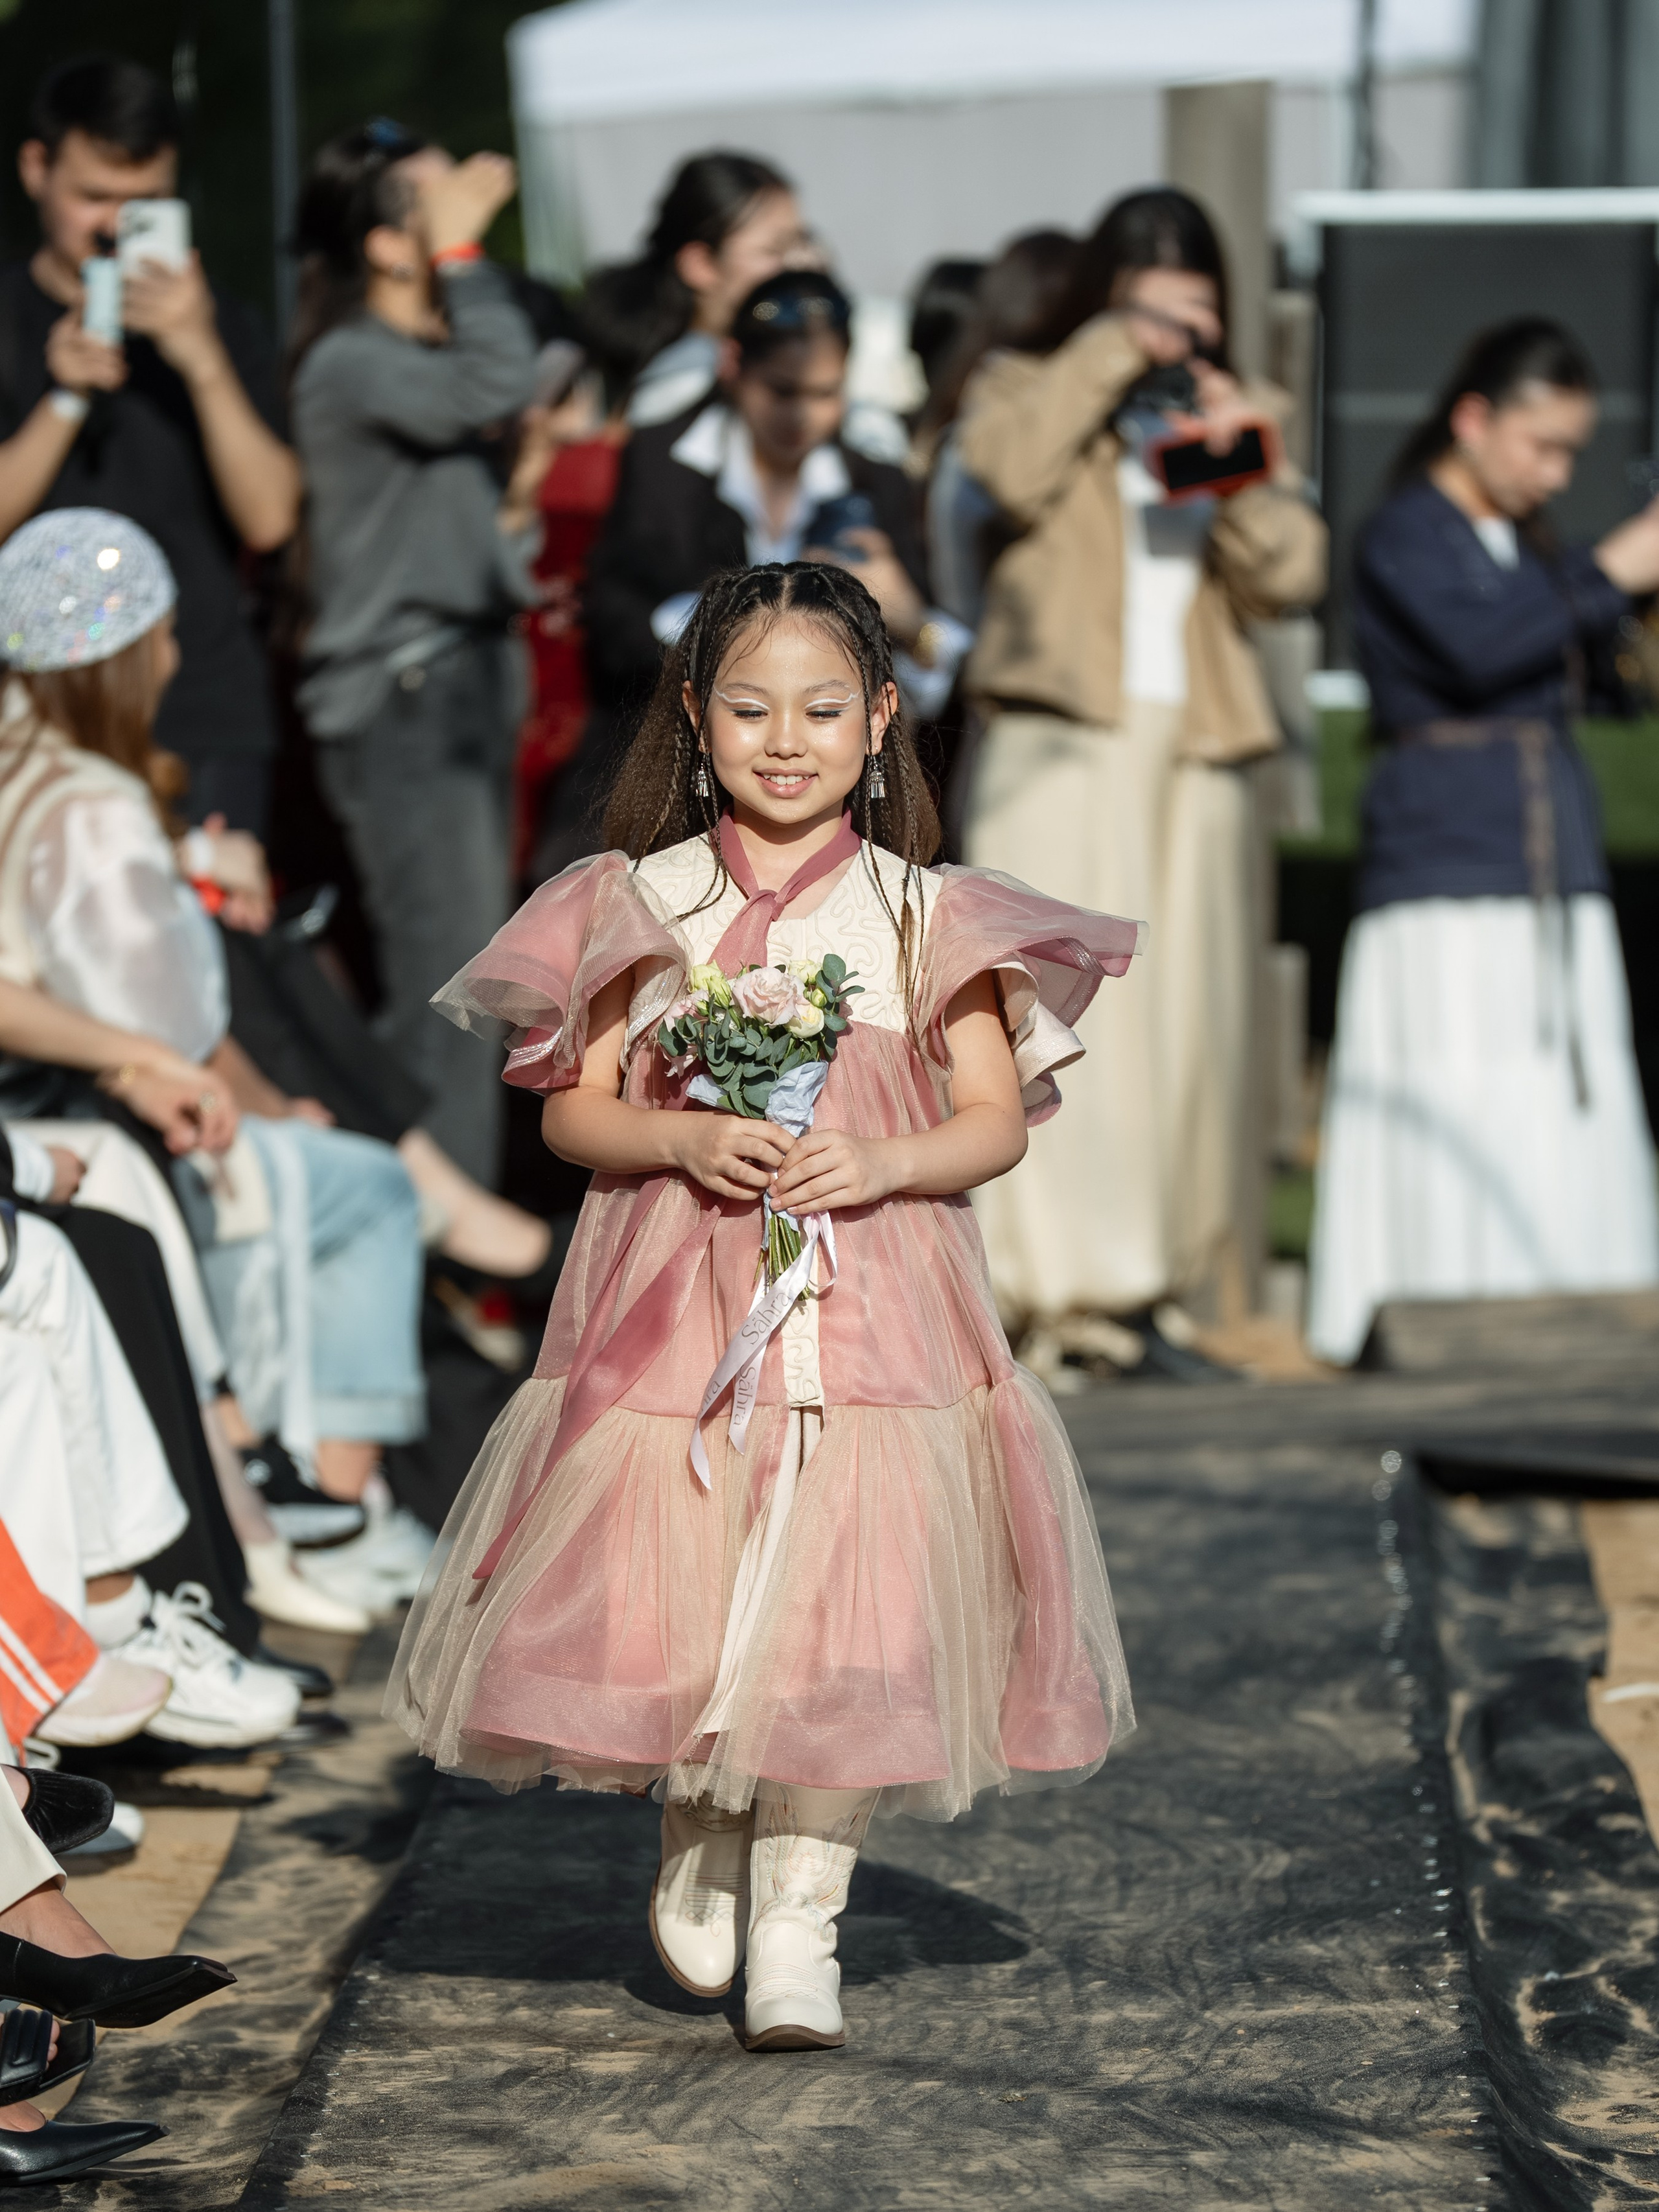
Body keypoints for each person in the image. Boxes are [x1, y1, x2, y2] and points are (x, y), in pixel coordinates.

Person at [388, 559, 1139, 2054]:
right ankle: (700, 1811)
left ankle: (804, 1919)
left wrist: (884, 1157)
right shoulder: (638, 897)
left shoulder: (926, 914)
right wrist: (678, 1137)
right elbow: (576, 1111)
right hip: (680, 1314)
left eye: (818, 708)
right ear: (694, 715)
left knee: (849, 1607)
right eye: (748, 708)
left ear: (880, 717)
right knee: (691, 1577)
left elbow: (989, 1118)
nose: (783, 740)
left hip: (873, 1315)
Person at [0, 509, 432, 1607]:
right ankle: (330, 1505)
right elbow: (161, 1026)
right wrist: (267, 1104)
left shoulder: (26, 767)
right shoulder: (93, 806)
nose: (176, 658)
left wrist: (192, 856)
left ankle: (311, 1496)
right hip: (109, 1118)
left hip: (75, 1103)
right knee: (371, 1188)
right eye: (162, 634)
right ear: (116, 658)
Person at [956, 188, 1326, 1376]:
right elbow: (1007, 472)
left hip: (1196, 739)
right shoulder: (1032, 387)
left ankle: (1152, 1289)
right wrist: (1115, 354)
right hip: (1065, 729)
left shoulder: (1233, 411)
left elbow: (1291, 574)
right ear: (1103, 302)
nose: (1175, 335)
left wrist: (1236, 447)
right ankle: (1045, 1290)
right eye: (1150, 309)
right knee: (1050, 1017)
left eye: (1194, 313)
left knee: (1184, 1030)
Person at [1306, 319, 1659, 1363]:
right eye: (1542, 445)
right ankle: (1437, 1309)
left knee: (1551, 1082)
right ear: (1474, 419)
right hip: (1444, 863)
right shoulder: (1405, 531)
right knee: (1458, 1073)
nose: (1556, 475)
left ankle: (1565, 1306)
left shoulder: (1529, 545)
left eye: (1571, 453)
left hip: (1549, 849)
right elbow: (1479, 649)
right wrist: (1614, 565)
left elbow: (1601, 680)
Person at [290, 119, 536, 1189]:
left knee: (473, 984)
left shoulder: (411, 361)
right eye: (436, 204)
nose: (465, 211)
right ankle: (435, 1249)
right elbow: (499, 379)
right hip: (406, 699)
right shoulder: (352, 362)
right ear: (390, 244)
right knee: (452, 993)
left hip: (455, 686)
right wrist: (466, 255)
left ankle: (445, 1236)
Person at [0, 56, 299, 837]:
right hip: (33, 716)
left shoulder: (218, 322)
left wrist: (201, 358)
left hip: (203, 710)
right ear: (35, 169)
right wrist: (64, 398)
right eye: (94, 196)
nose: (113, 226)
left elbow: (271, 518)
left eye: (144, 206)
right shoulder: (8, 317)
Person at [585, 270, 963, 743]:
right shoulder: (662, 465)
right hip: (673, 751)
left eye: (825, 393)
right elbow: (616, 627)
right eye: (784, 391)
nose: (803, 415)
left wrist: (913, 623)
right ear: (733, 367)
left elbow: (924, 684)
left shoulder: (876, 482)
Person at [583, 150, 814, 430]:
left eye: (803, 242)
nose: (804, 264)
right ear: (701, 265)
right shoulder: (680, 389)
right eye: (774, 250)